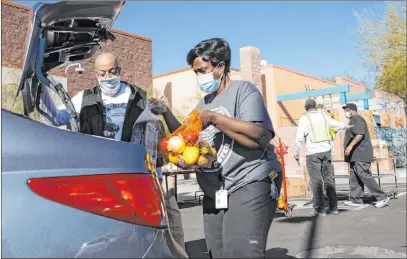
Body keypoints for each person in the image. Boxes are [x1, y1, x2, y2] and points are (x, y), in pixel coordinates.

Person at [39, 52, 185, 249]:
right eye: (102, 73)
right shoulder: (84, 98)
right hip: (100, 179)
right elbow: (57, 118)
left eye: (112, 71)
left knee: (144, 234)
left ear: (120, 71)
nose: (108, 77)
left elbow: (153, 136)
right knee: (105, 235)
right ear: (96, 75)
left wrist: (156, 173)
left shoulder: (139, 97)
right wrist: (41, 87)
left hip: (135, 177)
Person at [153, 38, 282, 258]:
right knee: (217, 251)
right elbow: (185, 135)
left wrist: (214, 119)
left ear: (220, 67)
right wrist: (165, 112)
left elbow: (260, 135)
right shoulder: (204, 104)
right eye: (195, 72)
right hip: (216, 189)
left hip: (249, 179)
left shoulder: (244, 90)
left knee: (240, 251)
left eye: (202, 70)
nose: (199, 77)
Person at [293, 99, 350, 215]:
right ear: (315, 106)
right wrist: (346, 126)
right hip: (326, 151)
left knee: (317, 182)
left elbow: (299, 136)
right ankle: (334, 208)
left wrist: (296, 151)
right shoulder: (324, 116)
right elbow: (336, 124)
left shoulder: (305, 118)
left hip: (313, 153)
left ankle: (320, 209)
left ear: (305, 108)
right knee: (329, 180)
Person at [342, 103, 390, 208]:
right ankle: (356, 199)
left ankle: (382, 197)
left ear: (352, 110)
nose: (345, 112)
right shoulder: (352, 120)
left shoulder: (357, 119)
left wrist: (350, 146)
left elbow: (359, 135)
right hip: (354, 156)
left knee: (363, 174)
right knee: (354, 177)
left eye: (346, 110)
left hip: (361, 153)